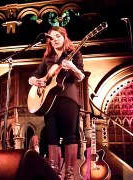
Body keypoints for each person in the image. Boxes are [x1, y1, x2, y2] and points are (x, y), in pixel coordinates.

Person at [28, 26, 85, 179]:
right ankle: (55, 175)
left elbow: (81, 76)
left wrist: (72, 67)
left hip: (68, 98)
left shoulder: (74, 53)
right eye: (51, 38)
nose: (54, 40)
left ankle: (69, 175)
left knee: (70, 137)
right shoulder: (48, 58)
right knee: (51, 136)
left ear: (65, 37)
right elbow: (35, 75)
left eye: (58, 36)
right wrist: (34, 80)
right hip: (49, 101)